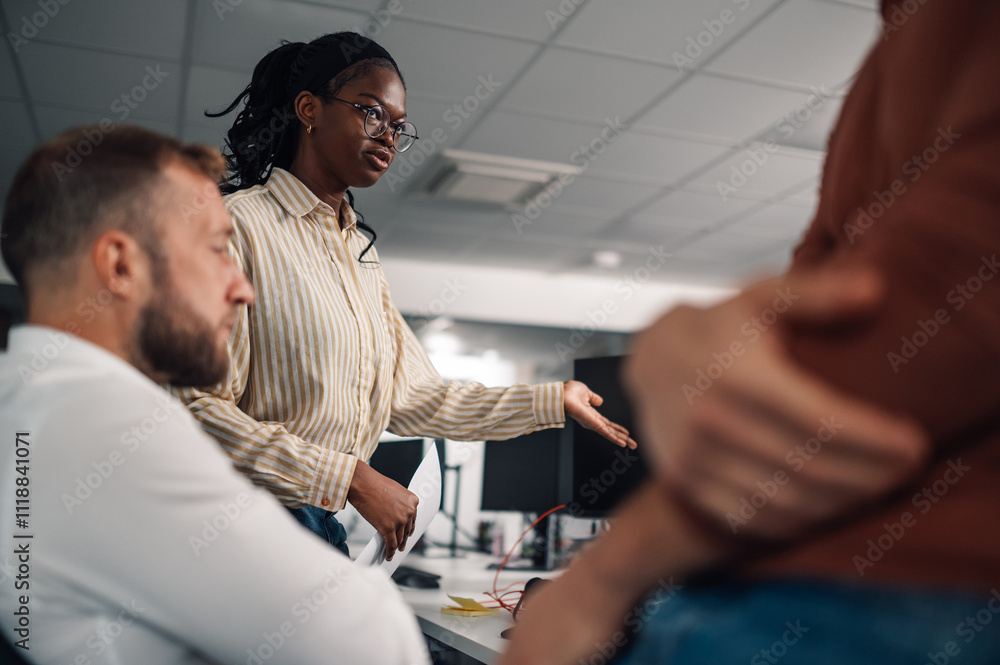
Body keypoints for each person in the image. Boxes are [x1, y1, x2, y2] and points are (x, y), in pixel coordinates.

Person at [498, 0, 1000, 663]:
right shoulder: (900, 43)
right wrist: (692, 342)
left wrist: (598, 580)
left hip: (903, 592)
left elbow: (948, 298)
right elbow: (820, 293)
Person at [174, 32, 635, 559]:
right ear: (309, 109)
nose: (389, 137)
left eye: (398, 126)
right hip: (246, 526)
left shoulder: (360, 256)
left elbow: (418, 398)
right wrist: (351, 478)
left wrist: (554, 399)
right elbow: (195, 408)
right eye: (372, 113)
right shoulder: (238, 226)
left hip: (319, 527)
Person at [0, 126, 429, 664]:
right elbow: (369, 643)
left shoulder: (26, 402)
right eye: (215, 251)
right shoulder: (103, 423)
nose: (242, 287)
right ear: (121, 266)